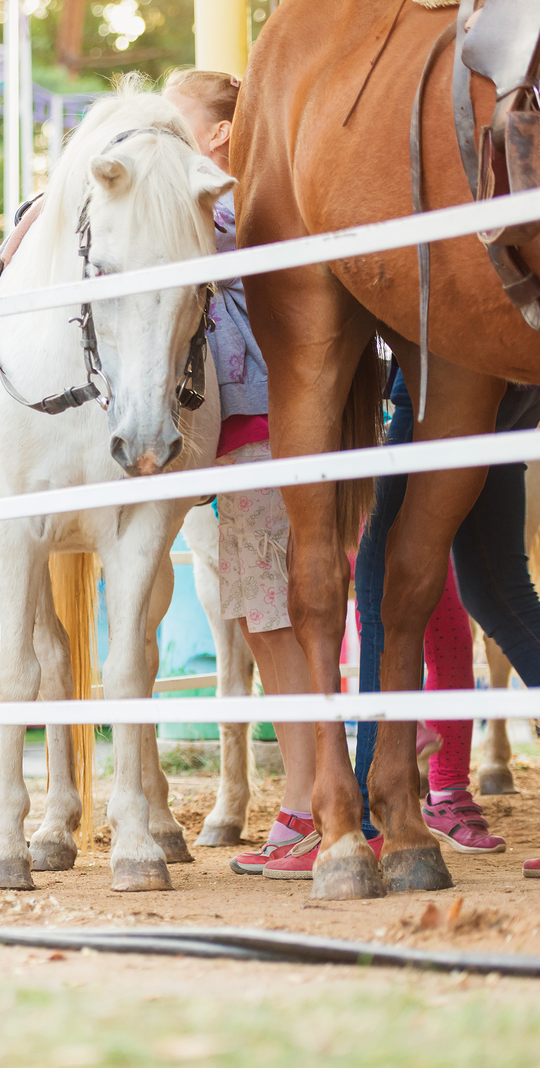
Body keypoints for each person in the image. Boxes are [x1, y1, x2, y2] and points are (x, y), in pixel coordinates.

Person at [164, 69, 322, 879]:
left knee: (275, 621)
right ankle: (312, 801)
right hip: (244, 436)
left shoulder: (225, 204)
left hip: (260, 430)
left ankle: (309, 808)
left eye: (174, 116)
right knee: (270, 621)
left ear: (219, 133)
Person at [352, 365, 540, 870]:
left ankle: (368, 817)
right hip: (520, 383)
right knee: (499, 592)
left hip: (443, 378)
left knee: (380, 576)